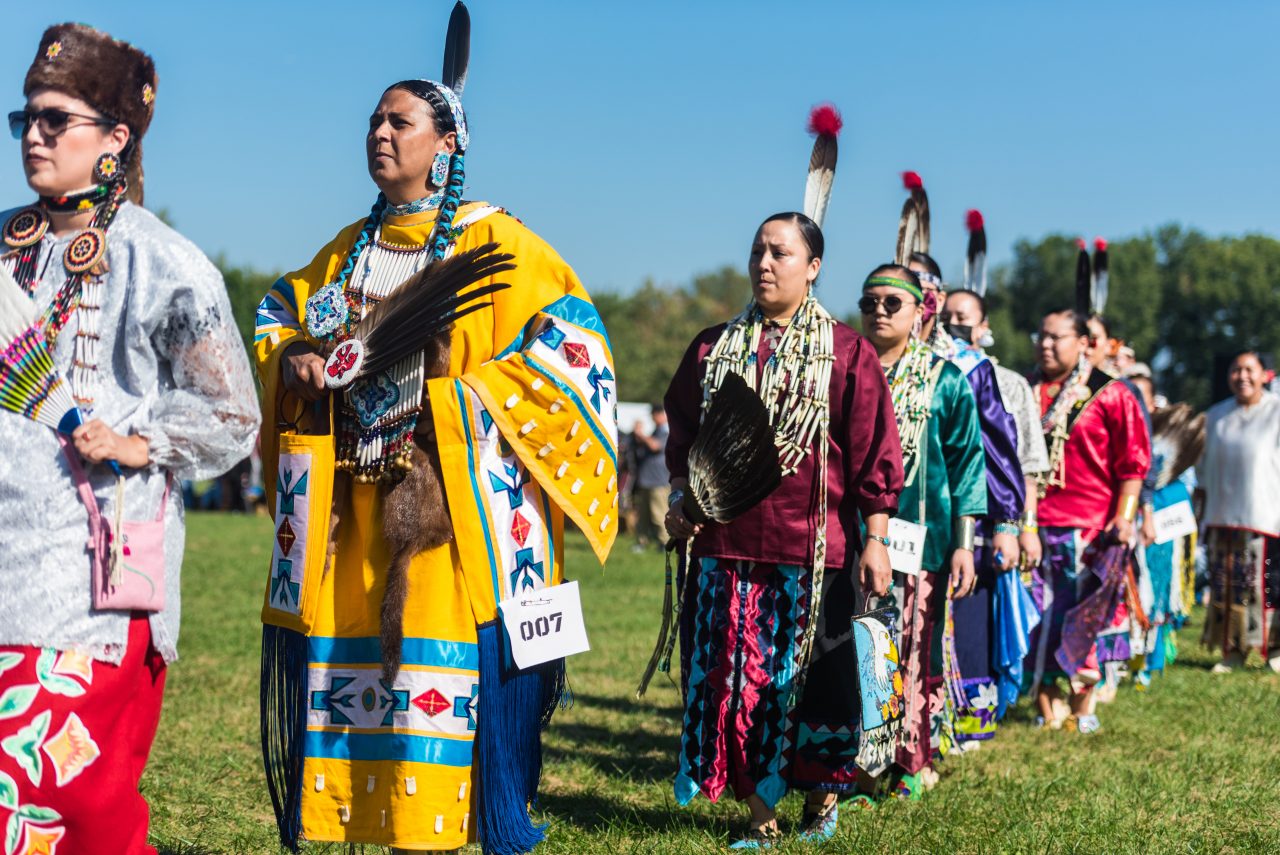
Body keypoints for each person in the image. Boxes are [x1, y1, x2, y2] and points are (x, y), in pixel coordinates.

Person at [254, 6, 618, 850]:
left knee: (443, 681)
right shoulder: (345, 251)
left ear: (445, 144)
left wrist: (458, 400)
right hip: (355, 518)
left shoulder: (503, 245)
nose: (379, 131)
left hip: (453, 512)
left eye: (399, 120)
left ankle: (458, 825)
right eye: (374, 119)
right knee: (354, 686)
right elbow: (278, 310)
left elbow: (576, 347)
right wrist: (299, 358)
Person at [0, 24, 259, 854]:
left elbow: (233, 415)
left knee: (67, 799)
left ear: (116, 139)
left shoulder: (164, 262)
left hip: (90, 581)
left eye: (55, 120)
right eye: (24, 120)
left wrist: (138, 441)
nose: (33, 136)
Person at [663, 207, 902, 847]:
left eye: (781, 253)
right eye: (758, 251)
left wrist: (876, 539)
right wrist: (684, 498)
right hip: (726, 551)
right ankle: (760, 818)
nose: (764, 264)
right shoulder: (714, 349)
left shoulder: (847, 354)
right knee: (733, 686)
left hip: (816, 552)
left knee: (820, 684)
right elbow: (684, 433)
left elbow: (874, 451)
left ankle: (821, 808)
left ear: (813, 267)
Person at [859, 258, 987, 798]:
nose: (879, 313)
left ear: (921, 311)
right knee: (865, 646)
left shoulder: (946, 381)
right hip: (855, 537)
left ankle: (911, 758)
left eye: (892, 303)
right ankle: (863, 760)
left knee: (914, 646)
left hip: (923, 539)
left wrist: (963, 545)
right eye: (869, 303)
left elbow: (967, 467)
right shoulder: (848, 371)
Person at [1024, 254, 1150, 733]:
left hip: (1089, 526)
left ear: (1082, 343)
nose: (1046, 344)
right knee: (1040, 617)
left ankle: (1082, 707)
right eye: (1042, 335)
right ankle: (1044, 704)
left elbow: (1133, 463)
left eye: (1057, 336)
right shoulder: (1023, 391)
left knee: (1085, 615)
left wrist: (1126, 515)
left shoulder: (1112, 393)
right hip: (1034, 525)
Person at [941, 287, 1045, 735]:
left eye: (962, 317)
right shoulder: (927, 370)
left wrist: (1021, 525)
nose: (951, 324)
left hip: (986, 518)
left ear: (984, 328)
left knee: (973, 613)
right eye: (944, 315)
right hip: (936, 512)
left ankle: (971, 716)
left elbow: (1024, 463)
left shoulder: (1007, 383)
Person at [1198, 351, 1280, 673]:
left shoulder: (1276, 412)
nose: (1242, 376)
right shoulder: (1215, 416)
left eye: (1249, 369)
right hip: (1222, 515)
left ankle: (1274, 648)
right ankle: (1231, 649)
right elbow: (1202, 471)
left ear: (1265, 374)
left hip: (1267, 517)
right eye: (1235, 370)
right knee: (1226, 584)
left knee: (1269, 584)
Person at [632, 403, 670, 549]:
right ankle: (641, 542)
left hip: (659, 482)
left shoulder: (666, 431)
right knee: (643, 516)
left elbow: (655, 446)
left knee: (659, 514)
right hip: (647, 481)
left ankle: (664, 542)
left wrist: (641, 434)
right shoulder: (655, 431)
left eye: (655, 414)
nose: (653, 418)